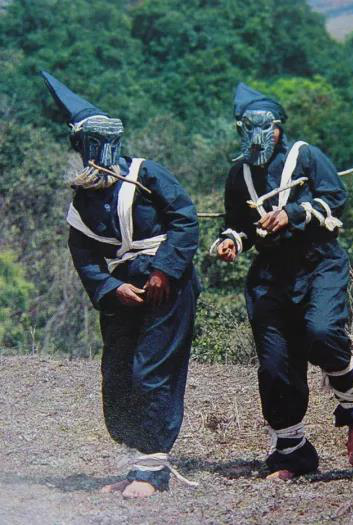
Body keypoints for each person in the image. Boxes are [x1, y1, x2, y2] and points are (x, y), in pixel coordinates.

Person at [41, 72, 201, 498]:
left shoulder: (147, 174)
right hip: (123, 291)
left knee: (151, 369)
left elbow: (185, 219)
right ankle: (136, 464)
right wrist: (111, 289)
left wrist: (164, 270)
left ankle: (153, 471)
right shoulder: (84, 200)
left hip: (168, 285)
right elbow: (84, 254)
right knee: (118, 375)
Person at [212, 82, 353, 479]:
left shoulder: (306, 156)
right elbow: (239, 224)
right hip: (271, 274)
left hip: (318, 262)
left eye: (265, 129)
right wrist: (231, 241)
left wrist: (293, 213)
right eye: (248, 129)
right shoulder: (238, 174)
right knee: (274, 364)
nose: (257, 138)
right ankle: (292, 452)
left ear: (278, 128)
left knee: (321, 332)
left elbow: (335, 198)